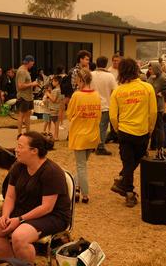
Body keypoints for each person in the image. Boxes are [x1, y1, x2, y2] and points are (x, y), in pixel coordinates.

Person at [0, 132, 70, 263]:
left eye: (20, 146)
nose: (16, 150)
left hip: (52, 215)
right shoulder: (18, 167)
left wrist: (20, 219)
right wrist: (5, 215)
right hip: (23, 210)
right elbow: (10, 196)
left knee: (20, 236)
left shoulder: (52, 172)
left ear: (34, 151)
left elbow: (47, 207)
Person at [109, 58, 157, 207]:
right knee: (135, 160)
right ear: (136, 70)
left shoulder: (118, 91)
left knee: (128, 162)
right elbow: (153, 112)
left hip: (124, 131)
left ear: (121, 72)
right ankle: (127, 188)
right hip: (142, 131)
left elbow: (112, 116)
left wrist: (117, 129)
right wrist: (150, 129)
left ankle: (125, 185)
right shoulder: (148, 88)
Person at [66, 68, 101, 204]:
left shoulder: (77, 95)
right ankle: (77, 188)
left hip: (80, 135)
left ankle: (85, 194)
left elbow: (69, 115)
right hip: (92, 135)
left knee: (81, 166)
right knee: (82, 165)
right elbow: (98, 115)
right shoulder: (96, 95)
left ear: (80, 80)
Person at [91, 55, 118, 155]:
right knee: (102, 127)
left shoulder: (91, 75)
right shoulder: (110, 76)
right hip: (105, 105)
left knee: (93, 126)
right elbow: (114, 90)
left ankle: (92, 145)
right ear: (106, 64)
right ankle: (100, 146)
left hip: (92, 104)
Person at [147, 62, 166, 149]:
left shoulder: (162, 78)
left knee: (159, 127)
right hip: (150, 105)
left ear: (156, 69)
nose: (149, 71)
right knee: (152, 126)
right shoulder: (150, 78)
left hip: (158, 106)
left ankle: (160, 146)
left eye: (151, 69)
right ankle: (153, 145)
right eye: (149, 69)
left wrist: (163, 92)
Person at [16, 56, 39, 135]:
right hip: (23, 96)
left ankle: (28, 133)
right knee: (21, 115)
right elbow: (20, 85)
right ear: (28, 62)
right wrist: (32, 84)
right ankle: (19, 133)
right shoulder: (22, 71)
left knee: (28, 115)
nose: (32, 66)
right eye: (32, 64)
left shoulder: (25, 70)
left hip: (28, 96)